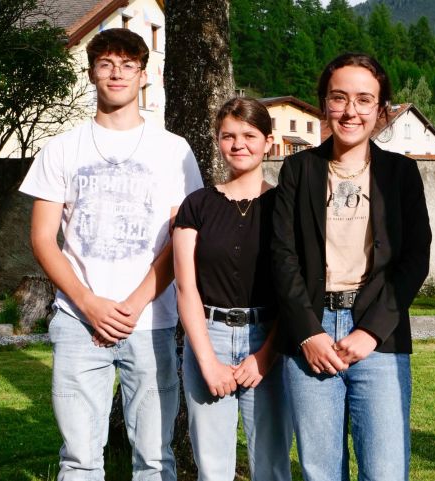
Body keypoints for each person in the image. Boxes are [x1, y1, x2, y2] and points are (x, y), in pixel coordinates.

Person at [19, 28, 203, 480]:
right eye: (106, 64)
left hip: (152, 322)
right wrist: (87, 303)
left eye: (127, 65)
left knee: (156, 459)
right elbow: (43, 239)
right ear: (91, 74)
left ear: (145, 76)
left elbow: (183, 237)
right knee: (79, 460)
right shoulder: (61, 148)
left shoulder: (174, 150)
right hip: (78, 322)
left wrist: (136, 301)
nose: (116, 73)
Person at [271, 53, 432, 481]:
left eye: (364, 100)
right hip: (312, 335)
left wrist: (372, 330)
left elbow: (416, 257)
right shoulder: (298, 169)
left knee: (385, 471)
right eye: (339, 98)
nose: (350, 110)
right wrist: (308, 331)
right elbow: (281, 256)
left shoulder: (401, 173)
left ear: (381, 110)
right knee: (321, 471)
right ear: (324, 103)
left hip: (379, 336)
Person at [173, 97, 292, 481]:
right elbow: (185, 288)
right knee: (213, 466)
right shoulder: (197, 206)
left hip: (269, 339)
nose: (238, 144)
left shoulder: (285, 207)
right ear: (218, 142)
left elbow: (296, 287)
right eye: (228, 136)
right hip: (209, 336)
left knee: (272, 465)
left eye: (249, 135)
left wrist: (267, 353)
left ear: (269, 142)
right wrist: (206, 359)